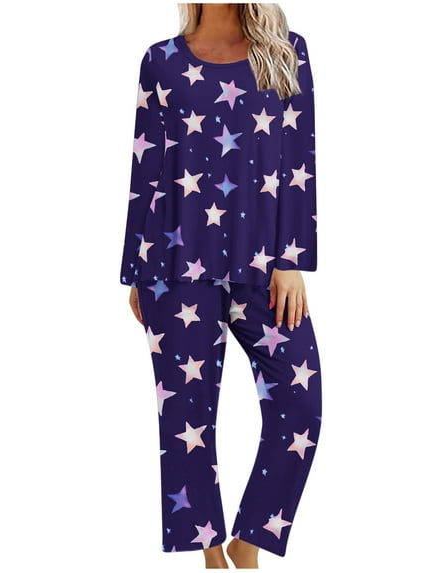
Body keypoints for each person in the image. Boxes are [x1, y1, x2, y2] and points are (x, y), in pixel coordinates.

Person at [119, 3, 322, 568]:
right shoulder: (160, 61)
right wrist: (134, 269)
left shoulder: (286, 51)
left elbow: (300, 159)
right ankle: (212, 556)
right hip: (172, 267)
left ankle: (248, 541)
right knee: (186, 422)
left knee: (301, 408)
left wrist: (291, 258)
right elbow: (145, 171)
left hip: (264, 267)